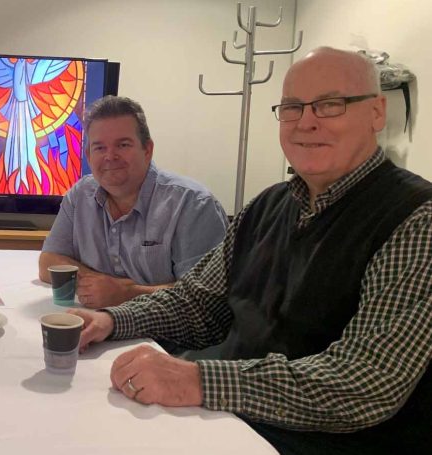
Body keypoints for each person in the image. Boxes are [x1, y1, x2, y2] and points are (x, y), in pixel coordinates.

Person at [70, 47, 432, 454]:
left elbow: (366, 382)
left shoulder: (417, 219)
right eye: (293, 107)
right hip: (227, 422)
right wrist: (110, 321)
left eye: (331, 105)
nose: (306, 123)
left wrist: (197, 381)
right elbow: (197, 304)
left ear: (377, 113)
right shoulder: (267, 205)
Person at [39, 96, 227, 309]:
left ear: (147, 150)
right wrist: (99, 285)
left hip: (167, 339)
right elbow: (48, 262)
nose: (110, 156)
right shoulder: (79, 195)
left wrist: (127, 294)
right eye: (99, 148)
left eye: (123, 144)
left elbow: (206, 297)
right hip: (100, 326)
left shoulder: (193, 204)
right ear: (88, 156)